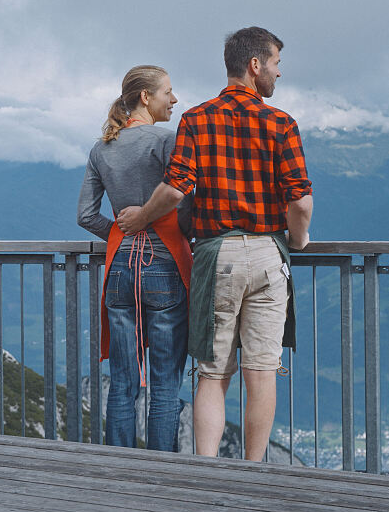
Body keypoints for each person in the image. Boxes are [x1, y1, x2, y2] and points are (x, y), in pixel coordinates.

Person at [115, 27, 313, 461]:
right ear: (255, 65)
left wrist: (140, 218)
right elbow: (299, 197)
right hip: (266, 252)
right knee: (261, 373)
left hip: (216, 254)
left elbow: (175, 188)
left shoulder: (197, 119)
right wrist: (297, 240)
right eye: (276, 64)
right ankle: (254, 471)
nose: (279, 74)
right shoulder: (281, 123)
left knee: (212, 374)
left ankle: (207, 473)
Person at [76, 65, 193, 452]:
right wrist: (182, 232)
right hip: (163, 264)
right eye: (168, 92)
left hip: (121, 267)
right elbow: (183, 197)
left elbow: (86, 216)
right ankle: (161, 472)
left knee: (123, 380)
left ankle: (119, 470)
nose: (174, 100)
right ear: (146, 97)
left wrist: (122, 232)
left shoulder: (101, 148)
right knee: (164, 381)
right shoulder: (165, 141)